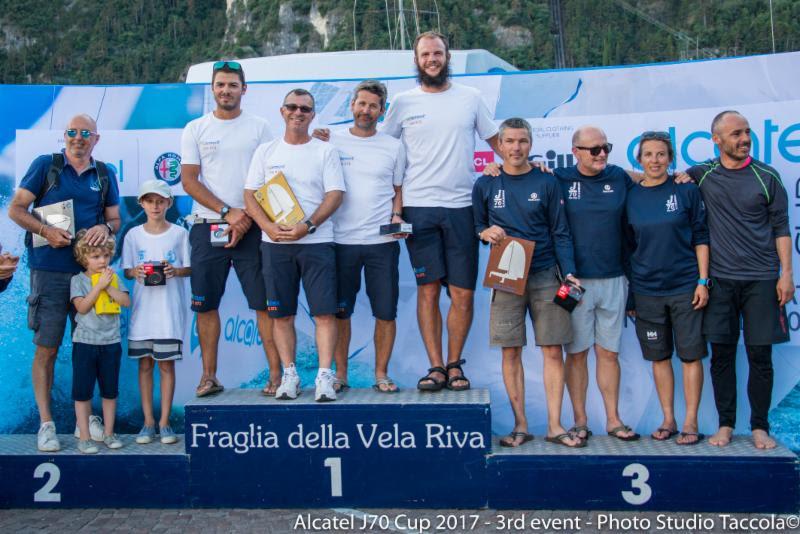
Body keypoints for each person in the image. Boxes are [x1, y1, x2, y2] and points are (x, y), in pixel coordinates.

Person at [382, 31, 500, 391]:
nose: (432, 59)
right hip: (418, 209)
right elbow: (382, 150)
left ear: (448, 57)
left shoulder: (471, 98)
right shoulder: (402, 102)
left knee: (462, 294)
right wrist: (332, 140)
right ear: (416, 60)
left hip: (463, 208)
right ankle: (435, 366)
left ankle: (454, 366)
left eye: (437, 53)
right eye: (425, 54)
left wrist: (517, 166)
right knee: (428, 290)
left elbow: (500, 143)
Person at [9, 114, 120, 452]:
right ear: (65, 135)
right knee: (48, 348)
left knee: (89, 348)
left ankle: (83, 421)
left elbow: (115, 217)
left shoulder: (104, 174)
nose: (78, 138)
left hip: (90, 275)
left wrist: (108, 228)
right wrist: (45, 230)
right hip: (50, 272)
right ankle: (47, 424)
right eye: (72, 132)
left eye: (85, 133)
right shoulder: (46, 165)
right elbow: (16, 209)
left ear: (96, 139)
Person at [473, 118, 583, 448]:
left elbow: (561, 231)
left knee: (552, 349)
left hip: (547, 274)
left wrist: (570, 272)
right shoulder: (486, 183)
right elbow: (477, 224)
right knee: (510, 351)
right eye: (509, 141)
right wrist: (484, 232)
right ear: (500, 146)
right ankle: (521, 425)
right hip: (506, 277)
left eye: (522, 141)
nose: (516, 147)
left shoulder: (547, 182)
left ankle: (554, 424)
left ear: (530, 144)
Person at [686, 111, 793, 450]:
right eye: (736, 133)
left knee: (760, 355)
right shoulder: (701, 174)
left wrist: (786, 274)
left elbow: (781, 228)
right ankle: (726, 424)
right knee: (722, 355)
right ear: (716, 139)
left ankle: (760, 427)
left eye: (746, 132)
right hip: (719, 280)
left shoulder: (767, 176)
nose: (744, 138)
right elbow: (654, 178)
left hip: (762, 280)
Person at [181, 60, 281, 397]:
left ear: (244, 89)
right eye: (220, 84)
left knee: (264, 304)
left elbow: (271, 181)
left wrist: (246, 217)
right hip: (209, 226)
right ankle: (209, 377)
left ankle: (276, 376)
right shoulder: (195, 129)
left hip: (253, 228)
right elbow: (189, 181)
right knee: (206, 305)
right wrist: (227, 212)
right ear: (212, 88)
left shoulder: (260, 127)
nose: (226, 90)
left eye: (232, 85)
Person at [244, 88, 346, 402]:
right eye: (292, 107)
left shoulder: (324, 151)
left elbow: (335, 194)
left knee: (325, 314)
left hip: (317, 242)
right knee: (281, 315)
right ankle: (290, 375)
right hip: (274, 245)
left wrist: (308, 226)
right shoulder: (266, 151)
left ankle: (324, 377)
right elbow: (250, 195)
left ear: (313, 115)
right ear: (282, 111)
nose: (298, 113)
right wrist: (267, 227)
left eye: (305, 109)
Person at [626, 131, 709, 445]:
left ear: (670, 158)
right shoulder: (631, 195)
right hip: (647, 291)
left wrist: (703, 281)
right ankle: (668, 419)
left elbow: (701, 236)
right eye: (648, 154)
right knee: (659, 357)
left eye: (661, 154)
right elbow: (629, 246)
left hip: (685, 287)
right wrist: (633, 293)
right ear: (640, 159)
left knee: (690, 356)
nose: (655, 160)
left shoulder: (686, 189)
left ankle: (690, 421)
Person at [558, 126, 639, 442]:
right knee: (575, 353)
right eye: (594, 149)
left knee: (608, 353)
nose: (602, 153)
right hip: (572, 283)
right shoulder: (559, 179)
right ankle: (580, 421)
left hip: (614, 279)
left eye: (606, 147)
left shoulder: (619, 176)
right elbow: (526, 175)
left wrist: (685, 176)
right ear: (575, 150)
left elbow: (649, 178)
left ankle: (614, 420)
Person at [330, 80, 406, 393]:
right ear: (352, 106)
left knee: (385, 312)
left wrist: (397, 215)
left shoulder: (393, 146)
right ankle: (341, 375)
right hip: (340, 241)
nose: (366, 110)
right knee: (339, 312)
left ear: (382, 111)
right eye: (361, 104)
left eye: (373, 106)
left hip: (382, 244)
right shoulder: (331, 141)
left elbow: (398, 189)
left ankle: (381, 374)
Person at [122, 180, 190, 445]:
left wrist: (175, 270)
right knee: (145, 364)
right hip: (142, 311)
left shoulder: (179, 234)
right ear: (141, 204)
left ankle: (164, 423)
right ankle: (148, 422)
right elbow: (127, 269)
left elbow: (190, 267)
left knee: (167, 365)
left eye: (160, 201)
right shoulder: (133, 235)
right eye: (149, 201)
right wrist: (135, 272)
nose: (155, 206)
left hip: (169, 312)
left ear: (169, 204)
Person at [70, 229, 130, 454]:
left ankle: (109, 433)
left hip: (111, 342)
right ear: (84, 257)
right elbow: (82, 307)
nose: (101, 261)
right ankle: (84, 436)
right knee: (82, 391)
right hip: (85, 342)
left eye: (105, 256)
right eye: (95, 256)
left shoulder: (113, 278)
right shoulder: (77, 280)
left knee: (110, 391)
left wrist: (109, 286)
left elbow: (125, 301)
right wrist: (98, 286)